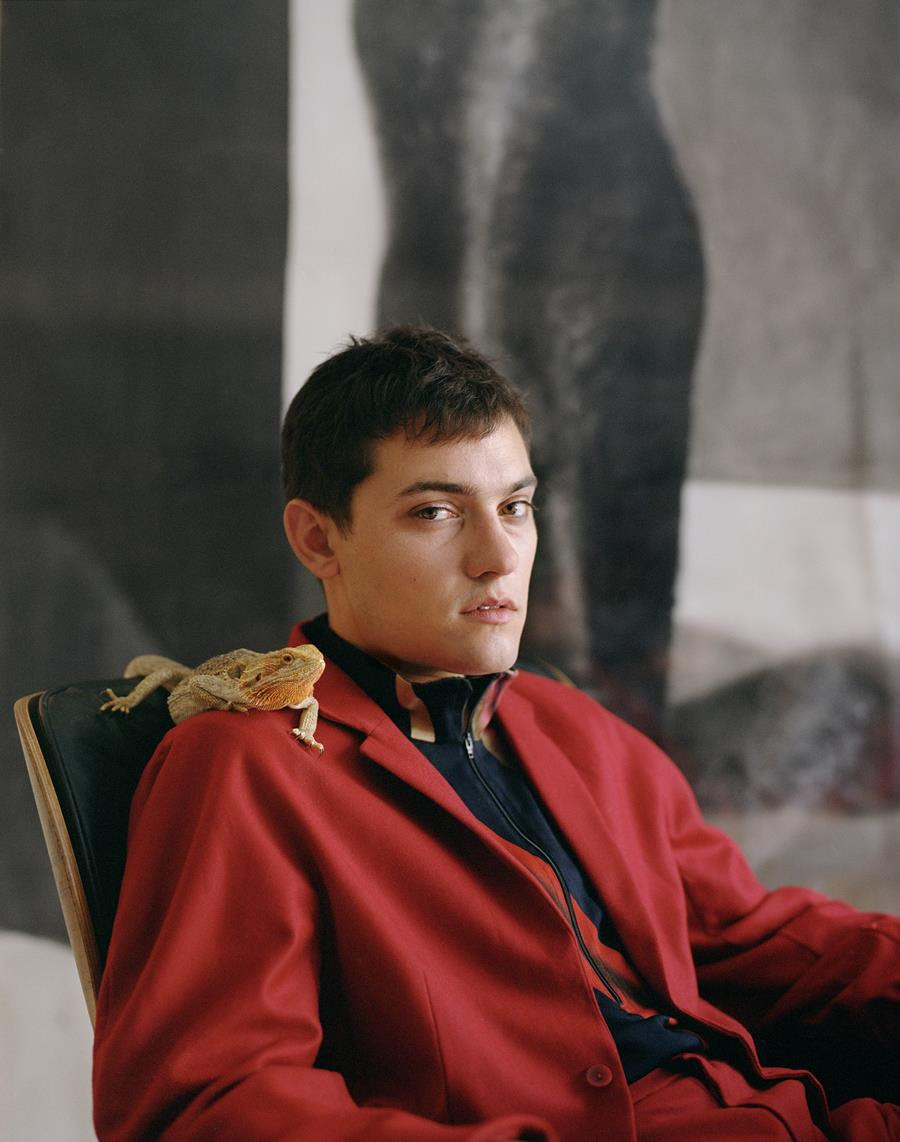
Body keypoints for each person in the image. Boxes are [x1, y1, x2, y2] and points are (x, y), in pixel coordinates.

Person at [92, 326, 898, 1140]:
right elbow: (213, 1102)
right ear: (318, 539)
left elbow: (745, 938)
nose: (498, 556)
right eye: (435, 512)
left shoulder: (575, 728)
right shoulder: (247, 765)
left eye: (515, 507)